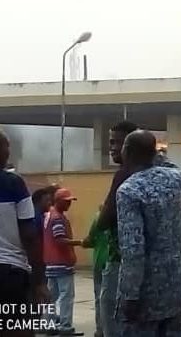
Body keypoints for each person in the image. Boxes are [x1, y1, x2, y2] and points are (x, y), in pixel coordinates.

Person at [116, 130, 181, 336]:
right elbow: (173, 168)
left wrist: (130, 294)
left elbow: (133, 248)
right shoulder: (176, 180)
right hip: (175, 285)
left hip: (145, 294)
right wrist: (154, 153)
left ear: (128, 151)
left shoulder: (128, 190)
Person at [0, 130, 49, 337]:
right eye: (5, 147)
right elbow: (30, 235)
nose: (8, 152)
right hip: (10, 275)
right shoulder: (13, 183)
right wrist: (39, 281)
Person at [95, 119, 138, 337]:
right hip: (150, 265)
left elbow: (106, 218)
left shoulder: (124, 174)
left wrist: (100, 218)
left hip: (119, 258)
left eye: (116, 143)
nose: (112, 148)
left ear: (130, 146)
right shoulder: (162, 173)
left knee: (110, 314)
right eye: (110, 142)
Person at [44, 187, 83, 335]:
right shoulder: (58, 218)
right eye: (66, 202)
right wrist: (79, 242)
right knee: (66, 296)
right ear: (58, 201)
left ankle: (49, 325)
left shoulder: (49, 215)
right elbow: (60, 240)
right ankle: (65, 327)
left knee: (51, 296)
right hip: (62, 264)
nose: (69, 204)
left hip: (51, 264)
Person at [82, 206, 109, 337]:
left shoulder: (98, 218)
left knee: (99, 298)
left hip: (99, 262)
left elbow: (90, 240)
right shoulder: (120, 216)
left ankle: (100, 330)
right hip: (114, 262)